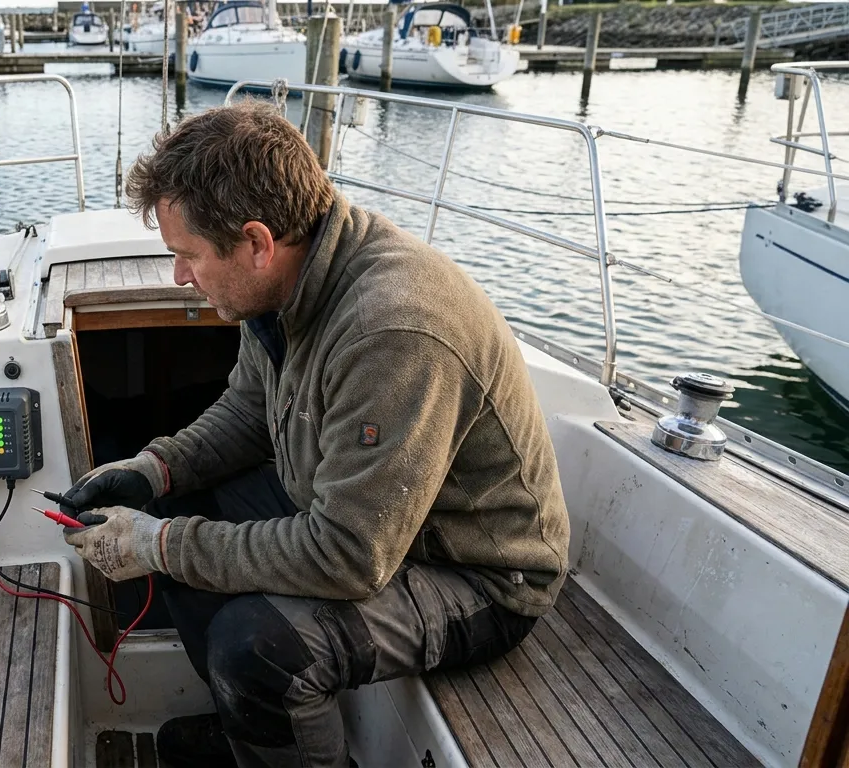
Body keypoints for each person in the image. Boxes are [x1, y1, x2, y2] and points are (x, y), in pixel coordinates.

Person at [60, 102, 570, 768]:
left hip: (473, 572)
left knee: (257, 649)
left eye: (187, 256)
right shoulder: (281, 286)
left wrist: (159, 546)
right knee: (177, 516)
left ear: (256, 242)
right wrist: (155, 471)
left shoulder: (392, 330)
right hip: (367, 518)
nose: (180, 276)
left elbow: (349, 556)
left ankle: (272, 731)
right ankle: (255, 736)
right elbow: (248, 412)